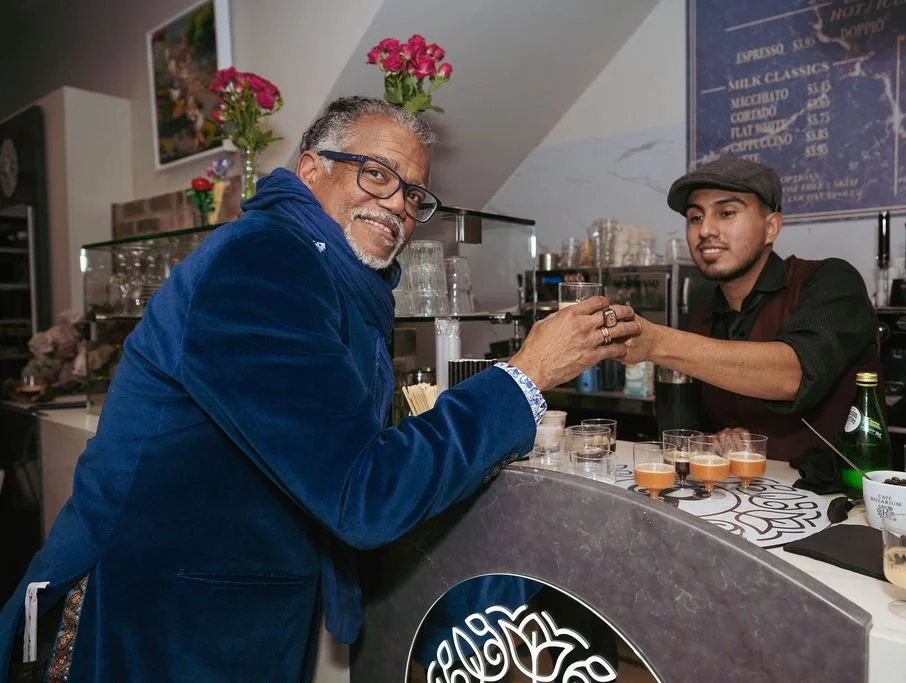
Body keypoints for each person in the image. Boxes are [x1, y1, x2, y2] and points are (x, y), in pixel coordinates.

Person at [0, 96, 640, 682]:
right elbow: (362, 492)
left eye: (415, 195)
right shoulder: (263, 265)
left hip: (230, 613)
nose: (398, 205)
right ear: (310, 170)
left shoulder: (329, 278)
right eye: (377, 174)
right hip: (156, 621)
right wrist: (524, 375)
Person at [623, 157, 879, 461]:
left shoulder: (831, 282)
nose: (705, 230)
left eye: (726, 212)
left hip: (836, 497)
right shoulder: (703, 314)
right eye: (695, 217)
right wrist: (715, 441)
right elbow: (690, 430)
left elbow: (794, 374)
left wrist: (656, 342)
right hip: (742, 499)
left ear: (771, 227)